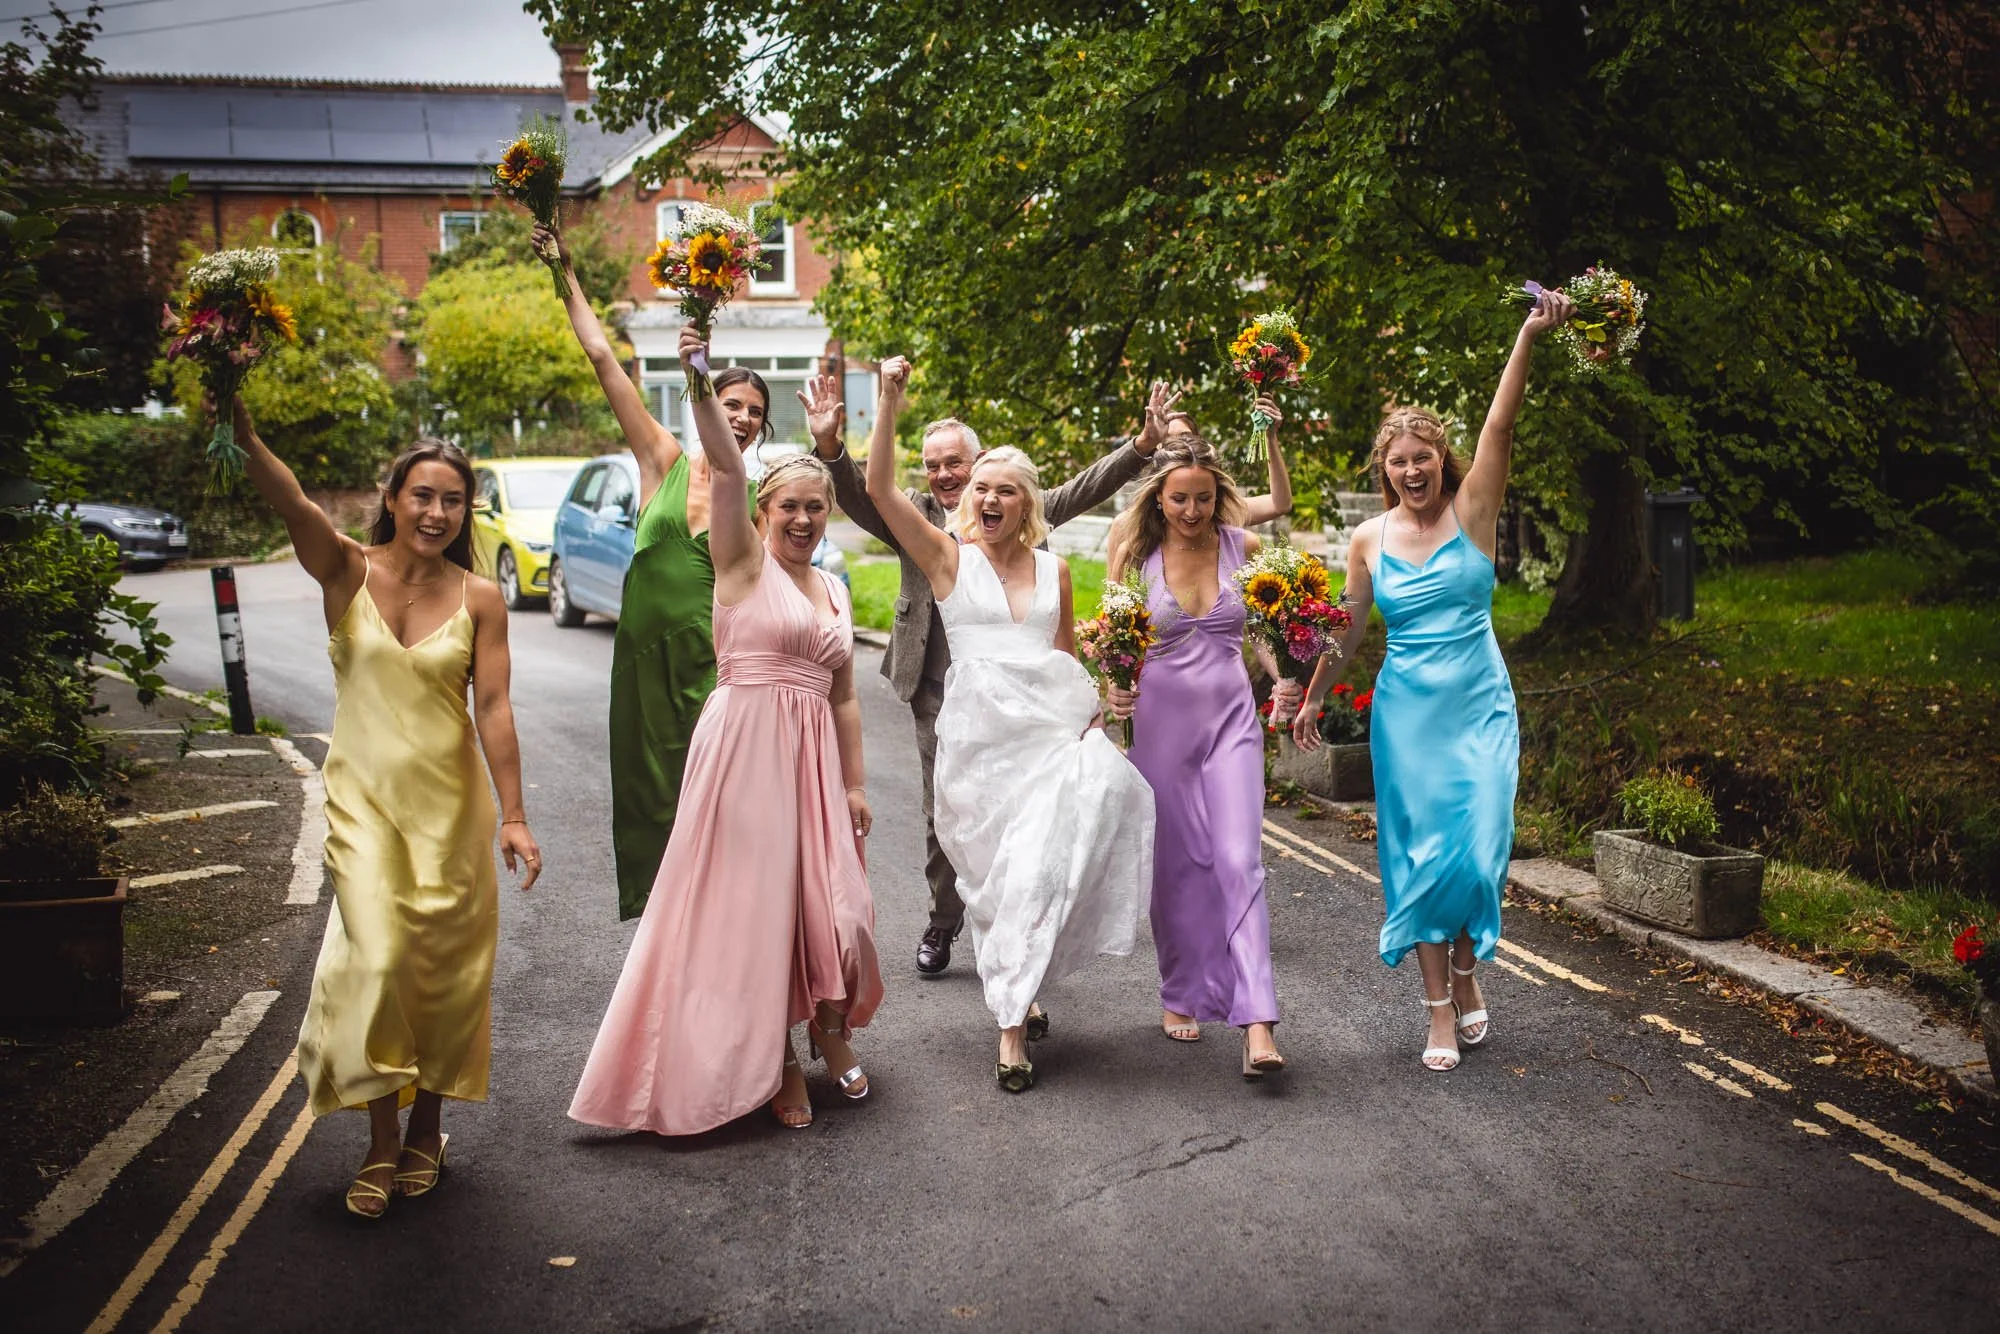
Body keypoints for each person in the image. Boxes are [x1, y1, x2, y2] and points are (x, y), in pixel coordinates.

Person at [230, 396, 541, 1219]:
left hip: (451, 815)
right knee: (373, 961)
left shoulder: (481, 598)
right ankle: (378, 1141)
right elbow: (293, 501)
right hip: (363, 808)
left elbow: (496, 711)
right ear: (393, 497)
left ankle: (426, 1129)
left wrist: (513, 815)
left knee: (442, 977)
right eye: (422, 496)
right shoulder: (345, 569)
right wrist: (247, 432)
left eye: (452, 500)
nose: (436, 513)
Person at [570, 324, 884, 1134]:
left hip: (812, 764)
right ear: (762, 510)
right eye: (791, 507)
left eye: (817, 509)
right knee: (757, 910)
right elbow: (728, 458)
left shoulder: (837, 590)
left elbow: (844, 695)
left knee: (835, 908)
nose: (806, 520)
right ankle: (779, 1057)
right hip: (745, 752)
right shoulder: (742, 563)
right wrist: (699, 376)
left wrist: (853, 782)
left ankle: (829, 1031)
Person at [1284, 290, 1574, 1071]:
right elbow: (1347, 628)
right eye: (1397, 461)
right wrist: (1312, 695)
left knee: (1478, 850)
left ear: (1441, 461)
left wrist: (1526, 335)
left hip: (1479, 704)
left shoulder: (1473, 512)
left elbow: (1499, 426)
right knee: (1418, 859)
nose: (1411, 470)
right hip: (1407, 717)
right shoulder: (1368, 538)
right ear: (1385, 470)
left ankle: (1471, 972)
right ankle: (1439, 1011)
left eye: (1422, 457)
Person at [800, 374, 1175, 976]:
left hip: (1026, 696)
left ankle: (1020, 935)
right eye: (934, 465)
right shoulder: (920, 523)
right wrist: (831, 447)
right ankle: (944, 920)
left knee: (1026, 814)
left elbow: (1083, 488)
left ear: (978, 466)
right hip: (938, 685)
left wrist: (1140, 446)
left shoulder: (1013, 505)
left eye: (955, 463)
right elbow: (864, 493)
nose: (945, 475)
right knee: (945, 810)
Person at [860, 355, 1154, 1092]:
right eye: (979, 488)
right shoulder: (945, 557)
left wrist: (1099, 711)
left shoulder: (1054, 569)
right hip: (980, 750)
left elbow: (1062, 656)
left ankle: (1012, 1032)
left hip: (1050, 742)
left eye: (1002, 490)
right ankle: (1018, 986)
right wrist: (887, 403)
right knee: (996, 882)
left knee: (1040, 871)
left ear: (1026, 503)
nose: (986, 498)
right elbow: (877, 489)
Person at [535, 223, 766, 921]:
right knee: (651, 792)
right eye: (732, 406)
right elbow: (604, 358)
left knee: (716, 798)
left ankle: (722, 918)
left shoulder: (755, 502)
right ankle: (670, 927)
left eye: (755, 413)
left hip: (712, 663)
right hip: (643, 654)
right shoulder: (660, 460)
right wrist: (564, 273)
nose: (745, 419)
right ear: (708, 409)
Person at [1103, 402, 1297, 1076]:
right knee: (1178, 867)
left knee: (1241, 859)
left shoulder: (1244, 548)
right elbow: (1114, 641)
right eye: (1180, 499)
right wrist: (1114, 689)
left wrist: (1283, 678)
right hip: (1159, 728)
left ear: (1220, 495)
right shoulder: (1133, 552)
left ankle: (1258, 1021)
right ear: (1159, 496)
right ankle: (1181, 990)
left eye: (1204, 498)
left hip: (1231, 724)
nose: (1192, 511)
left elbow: (1264, 632)